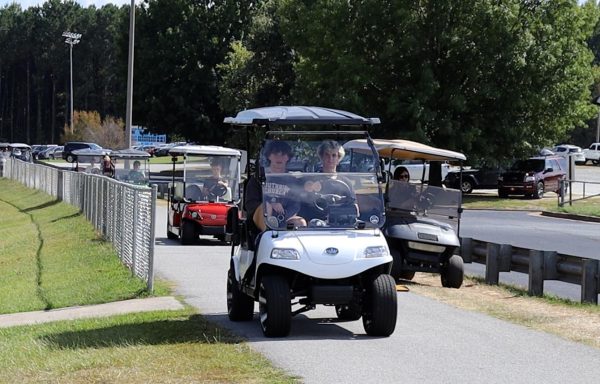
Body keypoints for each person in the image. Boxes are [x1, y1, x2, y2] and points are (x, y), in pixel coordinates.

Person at [245, 140, 306, 231]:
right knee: (266, 208)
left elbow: (295, 205)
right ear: (269, 156)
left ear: (288, 157)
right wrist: (270, 204)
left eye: (283, 154)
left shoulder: (292, 180)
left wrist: (283, 215)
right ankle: (268, 237)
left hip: (284, 218)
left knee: (300, 222)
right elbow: (250, 204)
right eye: (275, 154)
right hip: (260, 218)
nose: (279, 158)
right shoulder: (257, 178)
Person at [302, 140, 358, 221]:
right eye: (327, 155)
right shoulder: (313, 179)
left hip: (340, 222)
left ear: (339, 158)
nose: (330, 159)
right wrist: (309, 188)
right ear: (322, 157)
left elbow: (353, 205)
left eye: (334, 155)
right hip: (316, 222)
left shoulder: (346, 182)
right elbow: (305, 198)